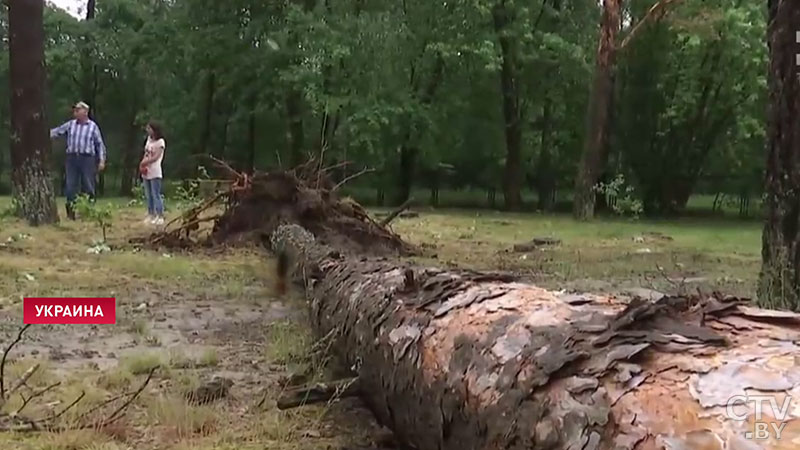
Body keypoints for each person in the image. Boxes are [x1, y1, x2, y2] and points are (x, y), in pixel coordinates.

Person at [50, 101, 106, 220]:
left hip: (87, 159)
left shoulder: (92, 127)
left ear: (85, 112)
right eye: (75, 110)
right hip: (72, 158)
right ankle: (71, 212)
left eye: (78, 110)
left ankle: (88, 211)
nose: (75, 112)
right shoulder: (71, 124)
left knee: (88, 185)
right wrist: (44, 133)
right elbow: (57, 131)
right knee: (70, 186)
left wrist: (102, 160)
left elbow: (99, 144)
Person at [139, 121, 166, 225]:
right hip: (147, 170)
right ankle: (151, 214)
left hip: (155, 171)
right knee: (148, 194)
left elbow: (156, 157)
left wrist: (146, 162)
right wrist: (142, 163)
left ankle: (160, 215)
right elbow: (146, 153)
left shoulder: (160, 142)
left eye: (149, 128)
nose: (148, 130)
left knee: (156, 194)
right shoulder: (149, 140)